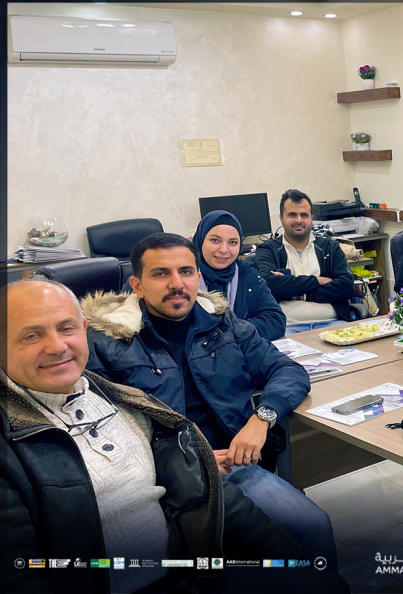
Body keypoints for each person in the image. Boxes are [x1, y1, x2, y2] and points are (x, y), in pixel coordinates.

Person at [0, 278, 347, 594]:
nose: (56, 346)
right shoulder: (112, 351)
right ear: (137, 284)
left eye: (67, 328)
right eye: (31, 335)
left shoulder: (127, 402)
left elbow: (206, 492)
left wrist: (300, 571)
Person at [81, 233, 339, 572]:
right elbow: (99, 434)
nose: (177, 283)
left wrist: (262, 417)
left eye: (186, 272)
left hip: (234, 466)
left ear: (198, 277)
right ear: (137, 285)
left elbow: (287, 370)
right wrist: (187, 462)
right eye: (161, 274)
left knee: (312, 526)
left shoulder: (223, 323)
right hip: (159, 479)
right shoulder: (106, 343)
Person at [255, 189, 356, 334]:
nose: (299, 220)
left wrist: (298, 293)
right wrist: (317, 280)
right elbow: (269, 285)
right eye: (292, 215)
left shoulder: (330, 248)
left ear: (311, 218)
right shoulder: (268, 249)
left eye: (304, 215)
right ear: (281, 218)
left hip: (333, 323)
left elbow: (346, 287)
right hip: (286, 327)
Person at [193, 209, 286, 341]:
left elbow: (275, 321)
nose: (224, 250)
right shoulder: (183, 277)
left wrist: (227, 331)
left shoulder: (247, 276)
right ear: (201, 240)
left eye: (233, 242)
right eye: (215, 240)